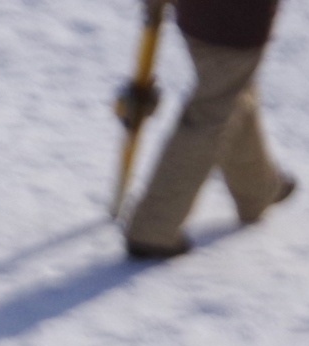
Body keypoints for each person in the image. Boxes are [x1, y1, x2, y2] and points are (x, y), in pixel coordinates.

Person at [126, 0, 297, 262]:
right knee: (212, 112)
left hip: (198, 15)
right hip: (234, 22)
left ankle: (257, 188)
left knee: (231, 93)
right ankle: (154, 227)